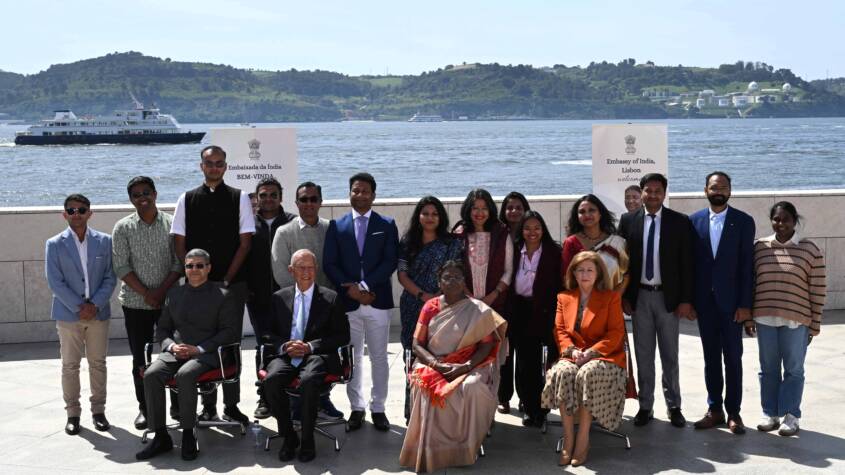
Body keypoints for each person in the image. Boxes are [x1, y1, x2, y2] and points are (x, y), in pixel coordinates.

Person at [171, 144, 254, 426]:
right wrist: (196, 276)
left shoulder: (240, 198)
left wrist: (226, 280)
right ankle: (208, 407)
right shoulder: (186, 198)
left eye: (219, 163)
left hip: (232, 284)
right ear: (201, 166)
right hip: (197, 286)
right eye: (209, 163)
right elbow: (179, 243)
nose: (214, 168)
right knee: (200, 342)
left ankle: (231, 406)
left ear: (226, 167)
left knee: (230, 345)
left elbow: (245, 244)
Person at [399, 260, 507, 473]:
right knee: (425, 385)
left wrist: (466, 366)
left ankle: (466, 447)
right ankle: (431, 448)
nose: (452, 281)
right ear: (439, 282)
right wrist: (435, 364)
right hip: (433, 361)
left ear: (464, 282)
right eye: (447, 277)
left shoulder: (478, 309)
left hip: (469, 364)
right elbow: (417, 344)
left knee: (472, 387)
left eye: (457, 277)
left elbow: (486, 345)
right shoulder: (430, 307)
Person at [135, 249, 239, 461]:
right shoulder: (174, 294)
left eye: (199, 265)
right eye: (189, 266)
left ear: (208, 268)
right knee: (152, 374)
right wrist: (172, 347)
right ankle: (161, 436)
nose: (194, 270)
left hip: (207, 354)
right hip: (176, 352)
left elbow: (228, 332)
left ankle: (189, 433)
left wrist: (198, 349)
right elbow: (162, 330)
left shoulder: (223, 295)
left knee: (185, 374)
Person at [617, 173, 694, 428]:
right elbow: (621, 263)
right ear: (641, 193)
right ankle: (645, 405)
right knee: (644, 355)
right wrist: (624, 297)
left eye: (657, 191)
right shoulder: (628, 221)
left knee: (670, 355)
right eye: (648, 191)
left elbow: (687, 264)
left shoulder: (679, 221)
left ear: (664, 193)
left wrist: (686, 299)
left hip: (668, 299)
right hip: (640, 298)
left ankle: (674, 406)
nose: (652, 195)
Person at [323, 172, 399, 431]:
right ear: (349, 193)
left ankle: (378, 408)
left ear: (373, 195)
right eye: (356, 190)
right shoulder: (337, 226)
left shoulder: (386, 224)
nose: (360, 195)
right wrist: (352, 290)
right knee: (352, 357)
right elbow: (330, 263)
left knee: (379, 357)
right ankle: (357, 408)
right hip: (348, 303)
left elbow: (390, 261)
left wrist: (365, 287)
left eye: (365, 191)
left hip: (378, 300)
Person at [262, 249, 350, 463]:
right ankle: (289, 437)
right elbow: (267, 333)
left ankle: (308, 440)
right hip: (286, 355)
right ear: (291, 270)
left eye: (311, 267)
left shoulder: (331, 298)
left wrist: (310, 346)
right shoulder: (279, 298)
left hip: (317, 355)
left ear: (316, 269)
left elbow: (342, 335)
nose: (306, 272)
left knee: (309, 381)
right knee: (271, 381)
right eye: (301, 267)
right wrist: (285, 346)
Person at [746, 202, 825, 436]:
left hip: (796, 320)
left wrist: (815, 323)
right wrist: (749, 317)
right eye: (776, 219)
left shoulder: (809, 249)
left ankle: (791, 415)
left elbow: (818, 288)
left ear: (794, 220)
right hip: (765, 318)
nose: (781, 224)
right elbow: (750, 283)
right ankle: (770, 413)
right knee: (768, 369)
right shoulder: (760, 247)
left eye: (786, 219)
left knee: (794, 369)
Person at [541, 251, 627, 467]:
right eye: (580, 270)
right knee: (562, 372)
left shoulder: (611, 297)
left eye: (590, 270)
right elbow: (560, 330)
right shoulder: (564, 297)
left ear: (598, 273)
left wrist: (592, 353)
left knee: (588, 373)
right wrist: (571, 351)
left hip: (604, 356)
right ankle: (569, 437)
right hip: (574, 354)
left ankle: (583, 438)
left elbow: (616, 333)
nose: (585, 274)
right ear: (573, 273)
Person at [112, 176, 182, 430]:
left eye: (146, 192)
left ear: (155, 194)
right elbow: (121, 266)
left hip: (169, 303)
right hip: (135, 304)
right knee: (140, 359)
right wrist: (147, 294)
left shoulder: (173, 224)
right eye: (136, 195)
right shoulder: (122, 227)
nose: (142, 198)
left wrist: (160, 292)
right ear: (131, 199)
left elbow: (179, 261)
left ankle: (177, 405)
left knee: (174, 354)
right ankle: (145, 408)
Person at [271, 181, 344, 420]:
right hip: (296, 307)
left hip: (324, 308)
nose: (309, 204)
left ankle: (323, 400)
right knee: (293, 359)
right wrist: (302, 296)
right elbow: (280, 271)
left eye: (314, 199)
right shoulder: (284, 232)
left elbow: (336, 265)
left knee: (318, 362)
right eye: (304, 199)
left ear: (321, 202)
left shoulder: (331, 229)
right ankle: (295, 404)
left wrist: (322, 299)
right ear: (296, 203)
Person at [690, 171, 756, 434]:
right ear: (705, 189)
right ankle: (714, 409)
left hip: (733, 306)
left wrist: (745, 305)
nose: (718, 191)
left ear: (730, 190)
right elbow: (690, 266)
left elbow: (747, 267)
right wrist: (690, 301)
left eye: (723, 187)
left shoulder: (743, 221)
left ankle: (734, 412)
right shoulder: (693, 221)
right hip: (705, 304)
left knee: (733, 359)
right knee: (711, 358)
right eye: (714, 187)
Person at [45, 193, 117, 436]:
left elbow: (110, 277)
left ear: (90, 213)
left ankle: (99, 411)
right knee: (70, 365)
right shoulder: (54, 244)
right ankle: (73, 414)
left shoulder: (105, 241)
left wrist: (94, 305)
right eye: (71, 210)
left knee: (98, 363)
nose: (77, 214)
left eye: (81, 210)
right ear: (64, 214)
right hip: (68, 315)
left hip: (98, 313)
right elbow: (55, 282)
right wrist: (80, 307)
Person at [398, 196, 463, 420]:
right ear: (418, 216)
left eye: (435, 214)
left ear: (441, 217)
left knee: (439, 355)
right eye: (425, 213)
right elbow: (402, 275)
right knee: (412, 355)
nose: (429, 218)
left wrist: (439, 298)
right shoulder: (408, 242)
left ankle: (438, 410)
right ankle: (412, 410)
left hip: (442, 306)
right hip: (412, 305)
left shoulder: (450, 243)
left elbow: (454, 272)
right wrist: (423, 295)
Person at [453, 188, 514, 414]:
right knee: (468, 355)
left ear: (490, 210)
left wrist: (492, 296)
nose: (479, 213)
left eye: (484, 208)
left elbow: (509, 270)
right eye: (475, 208)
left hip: (495, 306)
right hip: (466, 306)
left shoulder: (501, 233)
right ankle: (469, 408)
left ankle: (489, 408)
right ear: (468, 210)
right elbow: (454, 269)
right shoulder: (459, 233)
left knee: (494, 358)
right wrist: (468, 295)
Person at [245, 177, 295, 418]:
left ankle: (291, 395)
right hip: (258, 299)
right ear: (256, 198)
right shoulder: (247, 224)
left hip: (289, 299)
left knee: (291, 346)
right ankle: (264, 397)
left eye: (273, 195)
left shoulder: (292, 223)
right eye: (263, 195)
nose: (268, 199)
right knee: (264, 347)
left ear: (281, 197)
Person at [507, 210, 563, 427]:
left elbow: (561, 283)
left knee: (545, 362)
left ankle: (543, 406)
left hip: (545, 311)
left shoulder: (553, 252)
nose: (532, 232)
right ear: (521, 230)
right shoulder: (513, 250)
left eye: (537, 228)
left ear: (543, 229)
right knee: (524, 362)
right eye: (527, 228)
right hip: (519, 310)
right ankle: (530, 408)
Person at [562, 194, 628, 292]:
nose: (587, 215)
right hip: (581, 299)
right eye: (582, 212)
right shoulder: (571, 242)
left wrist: (614, 298)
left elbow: (626, 275)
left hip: (611, 298)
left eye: (592, 210)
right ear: (577, 217)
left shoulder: (617, 242)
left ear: (600, 214)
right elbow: (566, 277)